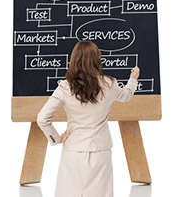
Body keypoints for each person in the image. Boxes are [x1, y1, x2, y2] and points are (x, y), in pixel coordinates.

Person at [37, 40, 140, 197]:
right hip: (100, 150)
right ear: (97, 60)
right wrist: (133, 79)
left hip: (73, 150)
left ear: (74, 60)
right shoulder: (109, 84)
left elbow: (43, 118)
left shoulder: (65, 87)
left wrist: (57, 139)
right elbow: (126, 95)